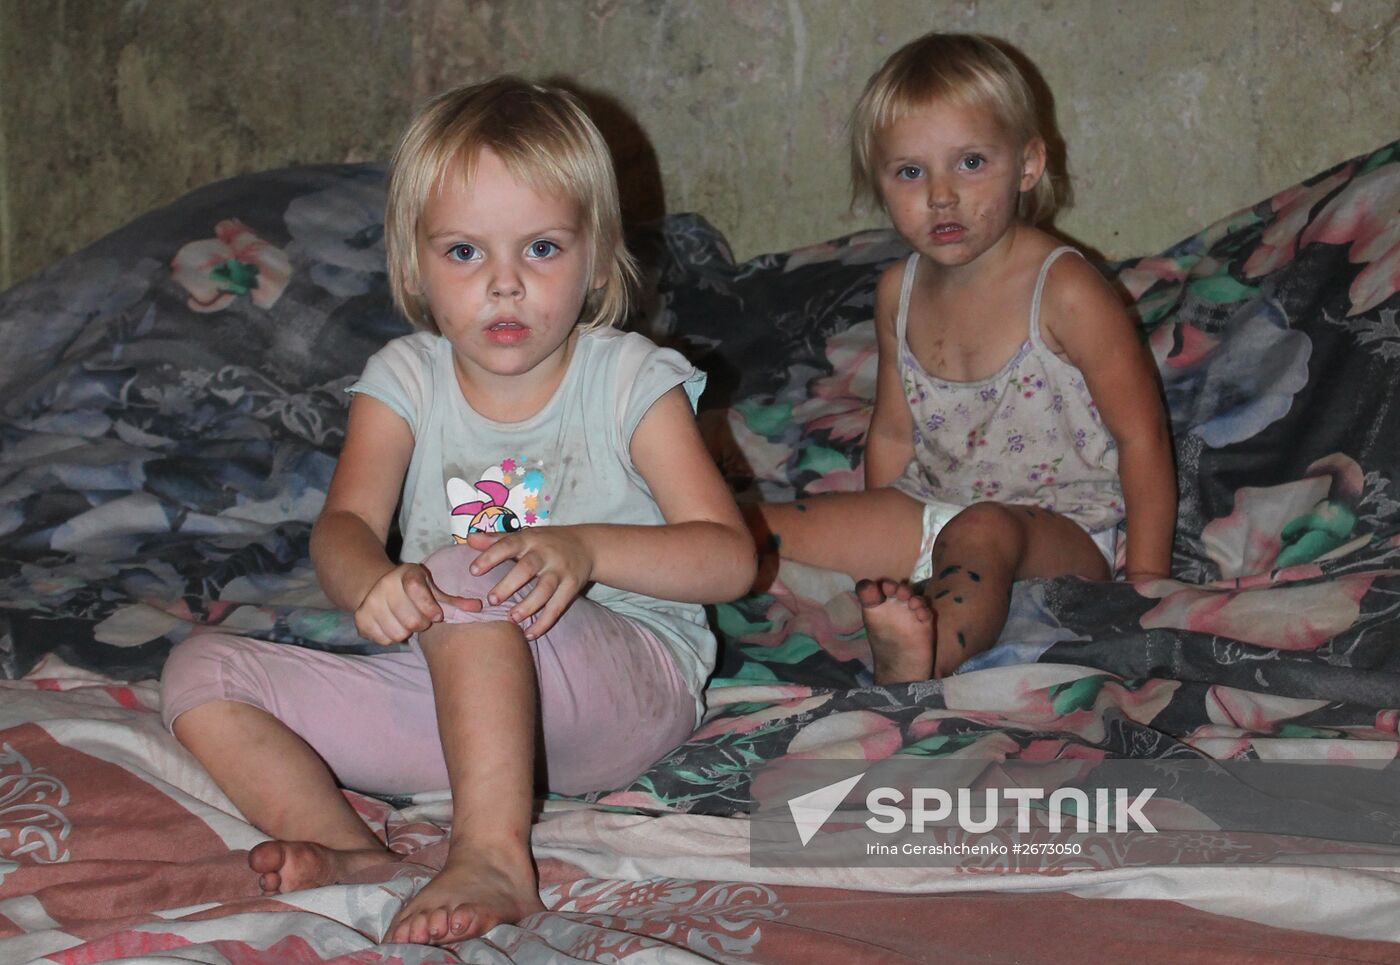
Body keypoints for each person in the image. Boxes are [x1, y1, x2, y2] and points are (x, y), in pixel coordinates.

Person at [159, 77, 755, 946]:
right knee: (200, 672)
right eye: (465, 253)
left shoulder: (628, 379)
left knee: (466, 563)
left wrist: (583, 549)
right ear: (414, 263)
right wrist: (366, 578)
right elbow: (343, 527)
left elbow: (729, 557)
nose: (504, 285)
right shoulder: (404, 379)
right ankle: (349, 849)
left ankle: (491, 854)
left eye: (543, 248)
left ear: (596, 258)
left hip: (627, 684)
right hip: (461, 692)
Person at [744, 33, 1175, 683]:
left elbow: (1142, 435)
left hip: (1059, 530)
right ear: (880, 183)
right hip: (929, 504)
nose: (941, 195)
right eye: (911, 172)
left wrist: (1145, 581)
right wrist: (879, 533)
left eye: (970, 162)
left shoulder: (1066, 290)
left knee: (981, 530)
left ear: (1027, 165)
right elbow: (892, 429)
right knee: (760, 526)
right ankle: (630, 560)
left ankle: (930, 645)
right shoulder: (899, 290)